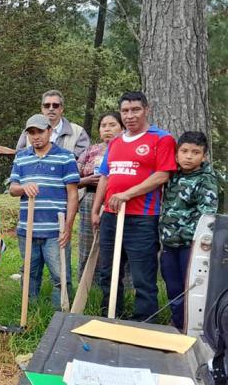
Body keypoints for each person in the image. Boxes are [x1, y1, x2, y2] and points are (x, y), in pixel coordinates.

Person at [92, 91, 178, 322]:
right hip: (111, 216)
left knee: (143, 276)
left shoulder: (161, 139)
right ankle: (110, 316)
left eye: (135, 110)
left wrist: (127, 194)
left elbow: (162, 175)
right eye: (125, 111)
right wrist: (96, 210)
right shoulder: (116, 141)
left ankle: (144, 322)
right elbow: (105, 177)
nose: (130, 116)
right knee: (108, 272)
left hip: (142, 218)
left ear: (146, 110)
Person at [9, 114, 79, 310]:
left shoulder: (65, 157)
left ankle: (61, 315)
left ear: (49, 131)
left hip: (55, 230)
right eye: (31, 133)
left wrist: (68, 227)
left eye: (40, 131)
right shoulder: (21, 157)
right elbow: (13, 189)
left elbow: (73, 194)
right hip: (28, 229)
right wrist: (23, 187)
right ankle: (30, 313)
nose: (36, 136)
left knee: (60, 275)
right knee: (29, 273)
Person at [159, 131, 218, 331]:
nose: (189, 156)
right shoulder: (172, 176)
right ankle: (177, 324)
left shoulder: (205, 180)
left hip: (190, 246)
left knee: (191, 287)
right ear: (176, 155)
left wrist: (188, 235)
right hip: (169, 243)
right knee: (173, 286)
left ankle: (192, 328)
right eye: (184, 151)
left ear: (204, 156)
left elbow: (207, 216)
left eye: (195, 152)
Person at [76, 112, 124, 279]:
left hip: (119, 201)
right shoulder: (90, 150)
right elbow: (73, 178)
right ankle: (87, 282)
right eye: (103, 126)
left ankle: (119, 283)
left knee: (118, 243)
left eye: (112, 125)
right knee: (88, 242)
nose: (107, 129)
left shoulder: (127, 149)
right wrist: (87, 180)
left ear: (122, 128)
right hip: (91, 199)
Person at [15, 90, 90, 158]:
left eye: (55, 105)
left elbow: (84, 159)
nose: (51, 108)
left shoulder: (78, 131)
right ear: (42, 108)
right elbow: (19, 155)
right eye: (47, 105)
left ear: (61, 108)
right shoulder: (29, 131)